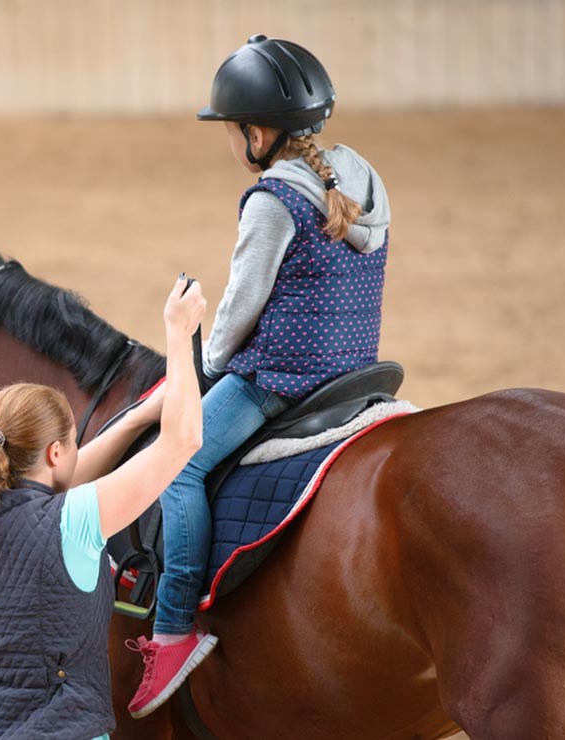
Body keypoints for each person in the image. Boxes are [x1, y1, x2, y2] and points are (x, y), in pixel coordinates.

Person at [126, 34, 392, 718]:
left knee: (178, 463)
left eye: (232, 130)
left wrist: (204, 368)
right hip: (356, 371)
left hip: (282, 378)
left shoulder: (272, 200)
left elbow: (241, 306)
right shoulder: (362, 178)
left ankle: (173, 629)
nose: (231, 142)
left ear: (256, 134)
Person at [0, 276, 206, 740]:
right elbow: (183, 441)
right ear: (54, 453)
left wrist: (138, 417)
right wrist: (179, 333)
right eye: (70, 443)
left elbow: (62, 479)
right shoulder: (73, 521)